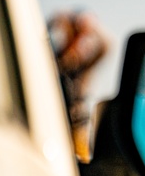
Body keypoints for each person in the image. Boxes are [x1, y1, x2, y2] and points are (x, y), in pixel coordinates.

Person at [47, 9, 112, 160]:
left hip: (77, 131)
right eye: (74, 35)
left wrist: (92, 27)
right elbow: (43, 33)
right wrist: (67, 18)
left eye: (83, 37)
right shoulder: (52, 63)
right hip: (54, 127)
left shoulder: (83, 69)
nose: (78, 42)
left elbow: (106, 46)